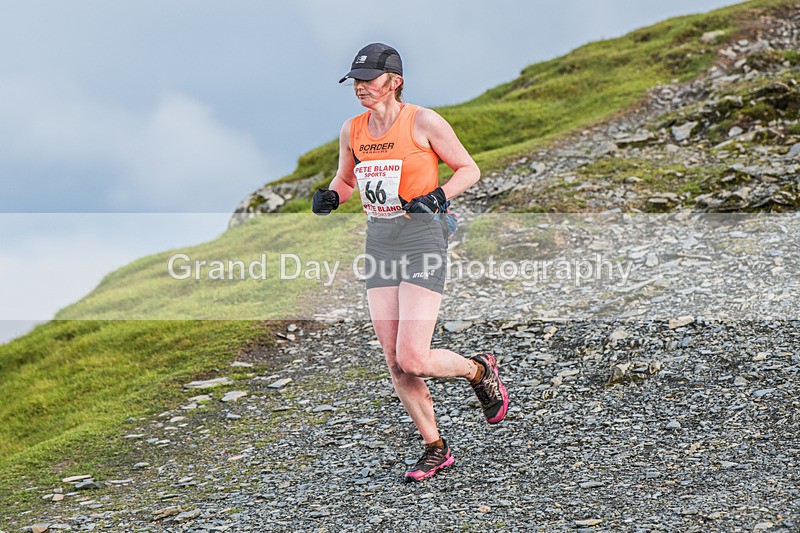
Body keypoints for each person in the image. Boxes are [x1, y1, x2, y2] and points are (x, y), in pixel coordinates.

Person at [312, 42, 508, 482]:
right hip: (380, 239)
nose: (361, 88)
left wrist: (437, 197)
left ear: (394, 82)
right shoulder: (353, 129)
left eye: (369, 80)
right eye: (356, 81)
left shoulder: (423, 121)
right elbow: (346, 178)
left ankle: (479, 370)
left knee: (414, 356)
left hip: (422, 235)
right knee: (395, 360)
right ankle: (436, 448)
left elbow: (468, 169)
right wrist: (332, 196)